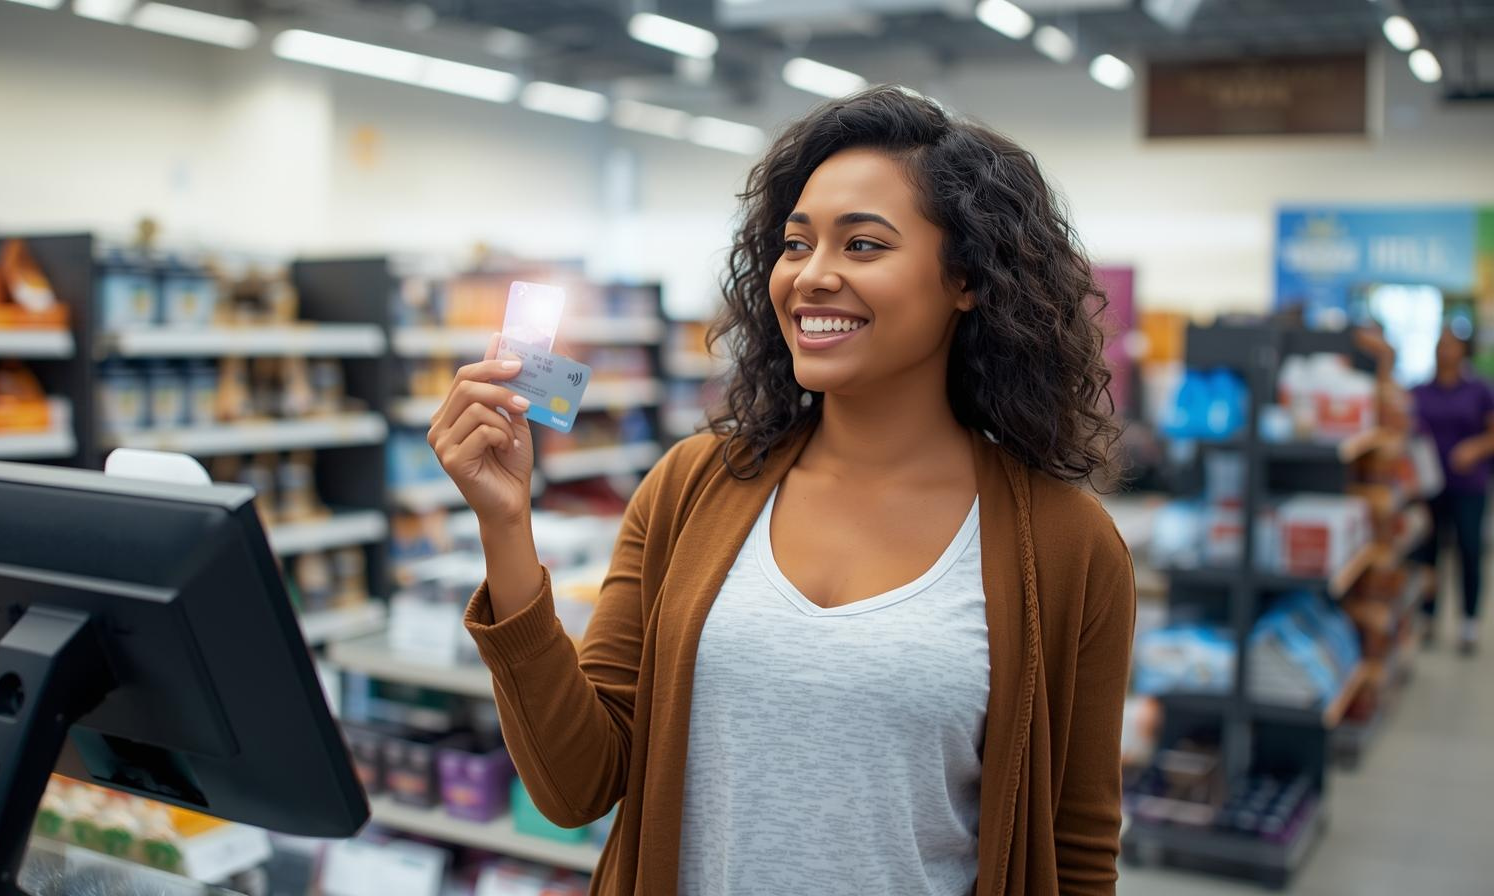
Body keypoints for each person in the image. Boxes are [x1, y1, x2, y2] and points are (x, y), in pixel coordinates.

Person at [427, 86, 1135, 896]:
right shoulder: (691, 488)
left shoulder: (1066, 545)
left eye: (863, 246)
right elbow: (575, 785)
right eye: (796, 245)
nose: (812, 277)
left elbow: (1076, 851)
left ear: (966, 278)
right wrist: (505, 526)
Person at [1410, 328, 1494, 655]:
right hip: (1431, 486)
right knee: (1429, 551)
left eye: (1451, 345)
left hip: (1468, 485)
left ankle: (1469, 622)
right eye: (1440, 344)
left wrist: (1473, 449)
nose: (1445, 351)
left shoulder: (1478, 391)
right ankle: (1428, 616)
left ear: (1463, 351)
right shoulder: (1420, 391)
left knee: (1469, 550)